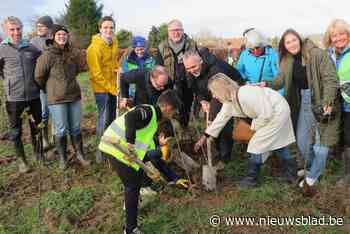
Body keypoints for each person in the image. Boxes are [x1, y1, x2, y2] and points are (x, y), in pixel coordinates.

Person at [261, 29, 341, 197]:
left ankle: (312, 177)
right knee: (302, 141)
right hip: (304, 100)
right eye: (287, 42)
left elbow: (330, 79)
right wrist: (266, 84)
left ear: (300, 39)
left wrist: (327, 102)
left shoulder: (317, 54)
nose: (291, 44)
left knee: (322, 142)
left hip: (323, 99)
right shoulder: (287, 60)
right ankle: (314, 167)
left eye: (293, 40)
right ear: (284, 46)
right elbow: (280, 80)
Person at [98, 90, 189, 234]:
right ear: (167, 108)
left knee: (135, 180)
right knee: (132, 185)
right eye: (173, 112)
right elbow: (130, 117)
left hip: (121, 151)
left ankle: (130, 205)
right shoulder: (148, 111)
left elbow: (153, 157)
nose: (172, 116)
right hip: (116, 148)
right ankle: (130, 229)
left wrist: (174, 178)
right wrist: (130, 143)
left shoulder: (152, 124)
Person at [195, 73, 297, 188]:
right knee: (278, 143)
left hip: (277, 113)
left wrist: (253, 129)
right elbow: (220, 119)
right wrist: (206, 136)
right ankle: (292, 175)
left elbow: (266, 113)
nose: (213, 96)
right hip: (269, 115)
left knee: (256, 144)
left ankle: (251, 179)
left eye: (214, 92)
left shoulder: (246, 93)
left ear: (221, 89)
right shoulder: (230, 101)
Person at [35, 24, 90, 170]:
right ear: (53, 36)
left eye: (64, 34)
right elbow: (39, 77)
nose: (62, 36)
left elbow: (79, 69)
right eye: (59, 34)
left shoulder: (72, 53)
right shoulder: (47, 55)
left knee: (76, 127)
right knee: (60, 130)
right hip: (56, 99)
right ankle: (63, 159)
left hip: (74, 96)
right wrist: (50, 89)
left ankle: (80, 154)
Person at [182, 48, 243, 165]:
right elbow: (194, 88)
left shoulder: (217, 69)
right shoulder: (189, 69)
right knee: (213, 123)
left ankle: (225, 159)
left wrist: (211, 115)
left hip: (227, 92)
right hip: (210, 93)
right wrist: (202, 101)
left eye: (193, 67)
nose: (191, 71)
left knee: (222, 123)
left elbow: (222, 93)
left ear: (201, 61)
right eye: (188, 68)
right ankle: (216, 151)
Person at [0, 16, 42, 173]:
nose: (16, 32)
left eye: (18, 29)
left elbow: (41, 67)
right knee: (15, 131)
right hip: (14, 99)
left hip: (33, 96)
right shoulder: (2, 49)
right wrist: (10, 83)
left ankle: (39, 155)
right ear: (6, 30)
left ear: (22, 29)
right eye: (12, 29)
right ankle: (22, 161)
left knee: (37, 127)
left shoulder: (31, 48)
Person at [87, 16, 119, 163]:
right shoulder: (94, 48)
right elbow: (96, 74)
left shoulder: (114, 43)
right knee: (104, 120)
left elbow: (113, 63)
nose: (109, 30)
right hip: (102, 89)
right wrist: (112, 89)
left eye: (111, 27)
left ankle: (111, 149)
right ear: (100, 29)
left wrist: (118, 70)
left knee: (112, 120)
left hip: (113, 87)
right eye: (105, 27)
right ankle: (101, 154)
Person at [156, 19, 197, 126]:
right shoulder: (161, 46)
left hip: (187, 83)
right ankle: (170, 132)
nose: (176, 33)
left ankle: (184, 129)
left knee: (186, 108)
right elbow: (158, 67)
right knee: (170, 109)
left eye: (178, 30)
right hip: (169, 85)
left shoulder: (191, 44)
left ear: (183, 31)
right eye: (173, 30)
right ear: (168, 32)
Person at [324, 19, 350, 185]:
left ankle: (348, 175)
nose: (338, 38)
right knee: (341, 136)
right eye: (334, 35)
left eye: (342, 34)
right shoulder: (329, 54)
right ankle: (344, 171)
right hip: (337, 103)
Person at [30, 15, 54, 150]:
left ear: (49, 28)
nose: (39, 28)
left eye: (42, 26)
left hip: (56, 83)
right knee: (44, 112)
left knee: (56, 110)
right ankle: (44, 138)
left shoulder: (56, 39)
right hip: (42, 84)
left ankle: (55, 136)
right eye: (37, 26)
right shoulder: (33, 42)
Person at [236, 28, 282, 94]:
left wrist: (280, 98)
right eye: (251, 49)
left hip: (269, 94)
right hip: (250, 92)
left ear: (262, 44)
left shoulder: (272, 55)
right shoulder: (244, 55)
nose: (255, 51)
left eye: (257, 47)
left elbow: (280, 80)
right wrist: (245, 80)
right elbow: (239, 71)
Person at [121, 36, 156, 100]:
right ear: (134, 49)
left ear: (145, 48)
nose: (140, 52)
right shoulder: (127, 61)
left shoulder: (152, 60)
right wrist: (125, 96)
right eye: (137, 50)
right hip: (132, 94)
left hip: (148, 93)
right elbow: (123, 78)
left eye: (142, 49)